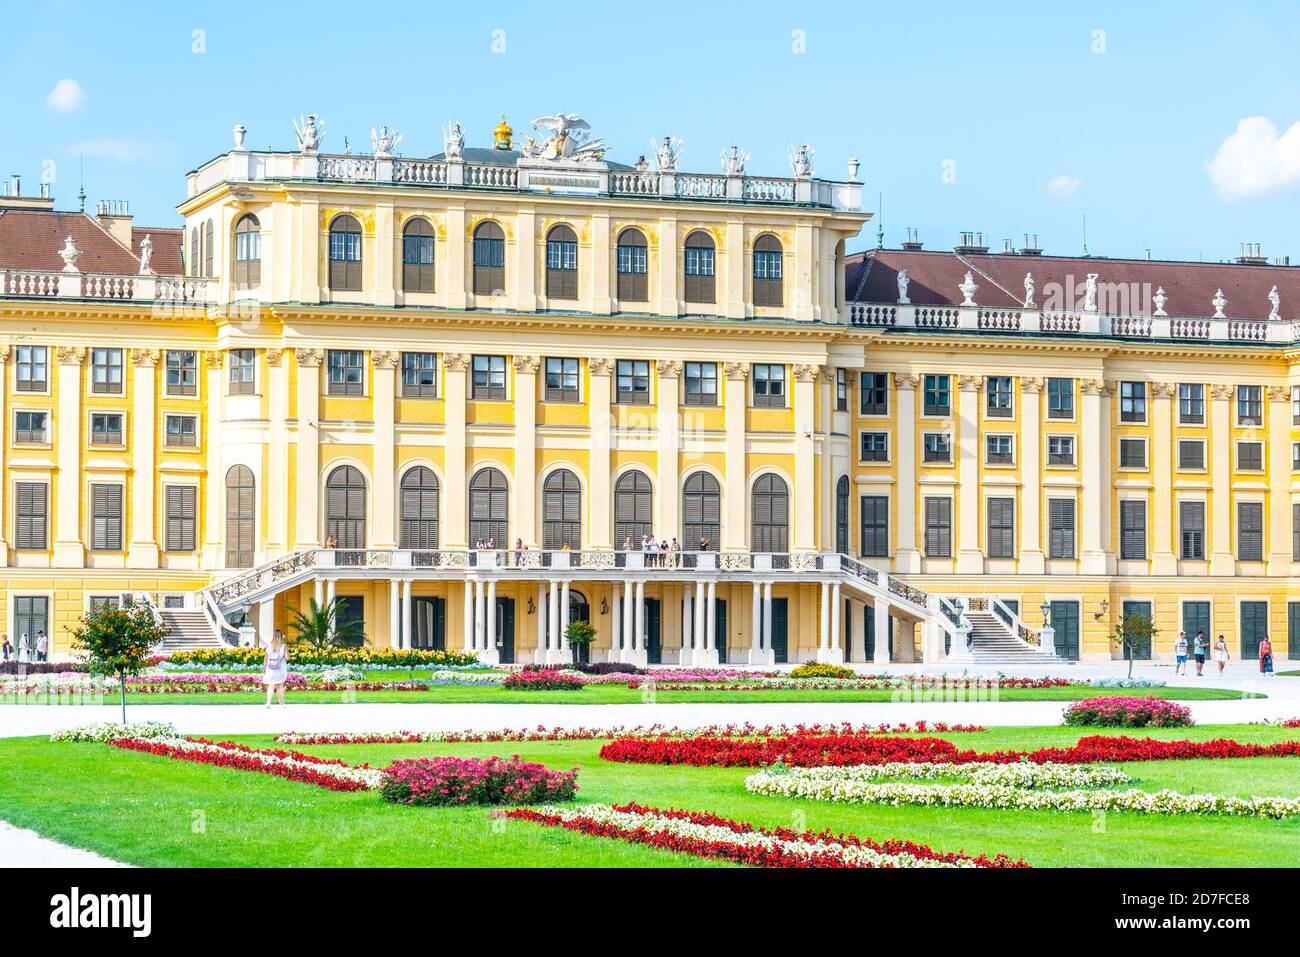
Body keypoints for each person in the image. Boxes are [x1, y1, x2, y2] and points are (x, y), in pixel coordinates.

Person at [263, 629, 290, 708]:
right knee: (280, 686)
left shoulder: (269, 646)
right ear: (281, 637)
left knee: (271, 686)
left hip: (270, 669)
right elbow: (287, 658)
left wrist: (264, 667)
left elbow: (265, 658)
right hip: (280, 669)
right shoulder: (283, 646)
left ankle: (268, 703)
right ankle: (282, 704)